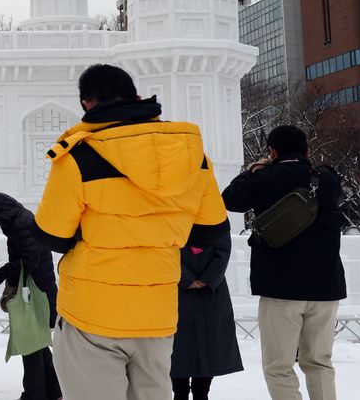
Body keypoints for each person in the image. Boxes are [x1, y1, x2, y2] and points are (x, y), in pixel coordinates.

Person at [34, 64, 229, 400]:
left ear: (86, 104)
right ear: (138, 97)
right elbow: (211, 231)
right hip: (157, 313)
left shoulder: (79, 155)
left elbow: (52, 235)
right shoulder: (191, 155)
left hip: (92, 314)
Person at [221, 125, 345, 400]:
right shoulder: (328, 179)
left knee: (279, 367)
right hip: (326, 286)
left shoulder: (265, 178)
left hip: (280, 287)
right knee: (320, 362)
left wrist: (251, 171)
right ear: (308, 150)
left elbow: (229, 200)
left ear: (272, 151)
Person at [0, 192, 61, 400]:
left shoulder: (21, 225)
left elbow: (30, 260)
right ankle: (53, 391)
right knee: (38, 342)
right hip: (37, 290)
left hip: (36, 293)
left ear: (3, 214)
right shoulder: (20, 220)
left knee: (30, 344)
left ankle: (35, 394)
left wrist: (5, 272)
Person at [169, 234, 242, 400]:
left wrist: (207, 279)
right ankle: (180, 393)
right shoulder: (171, 216)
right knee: (177, 348)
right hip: (176, 290)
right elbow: (164, 250)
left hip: (211, 292)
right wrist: (186, 278)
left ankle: (202, 393)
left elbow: (223, 250)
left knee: (210, 345)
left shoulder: (215, 216)